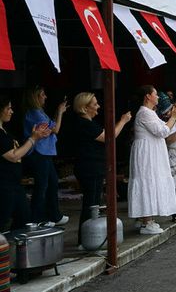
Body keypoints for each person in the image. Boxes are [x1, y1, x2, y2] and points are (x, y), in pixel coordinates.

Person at [72, 93, 131, 245]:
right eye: (94, 104)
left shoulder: (87, 123)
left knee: (93, 202)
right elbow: (109, 137)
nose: (98, 107)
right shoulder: (85, 124)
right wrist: (123, 121)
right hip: (89, 168)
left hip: (92, 167)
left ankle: (88, 238)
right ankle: (85, 240)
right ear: (85, 108)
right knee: (91, 203)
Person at [128, 86, 176, 235]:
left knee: (151, 181)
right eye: (155, 94)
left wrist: (175, 119)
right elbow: (162, 131)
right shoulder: (144, 112)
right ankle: (146, 221)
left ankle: (144, 218)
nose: (158, 97)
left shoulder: (150, 112)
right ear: (148, 96)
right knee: (146, 181)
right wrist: (173, 117)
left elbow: (164, 127)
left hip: (152, 151)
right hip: (147, 153)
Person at [0, 96, 51, 232]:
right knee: (3, 219)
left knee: (24, 217)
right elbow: (13, 156)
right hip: (4, 185)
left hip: (14, 184)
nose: (11, 111)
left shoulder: (5, 131)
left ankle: (14, 243)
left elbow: (20, 152)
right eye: (8, 108)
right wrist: (33, 139)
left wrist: (36, 137)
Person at [23, 86, 69, 226]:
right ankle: (37, 219)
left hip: (45, 152)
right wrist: (60, 112)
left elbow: (52, 126)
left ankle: (54, 215)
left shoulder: (40, 112)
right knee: (42, 185)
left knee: (52, 182)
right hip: (39, 152)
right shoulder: (35, 113)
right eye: (42, 94)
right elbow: (56, 129)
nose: (45, 97)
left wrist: (58, 113)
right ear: (35, 97)